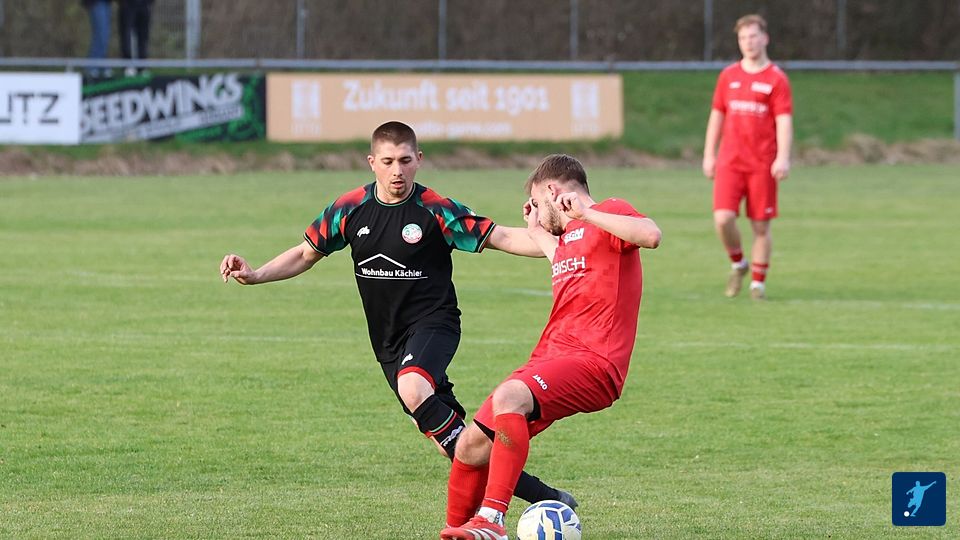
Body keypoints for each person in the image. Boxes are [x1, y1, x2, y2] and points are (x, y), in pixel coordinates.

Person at [220, 121, 574, 509]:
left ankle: (490, 516)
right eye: (388, 161)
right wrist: (255, 274)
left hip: (435, 325)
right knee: (460, 447)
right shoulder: (349, 209)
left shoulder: (435, 209)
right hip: (388, 345)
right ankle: (547, 497)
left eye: (405, 161)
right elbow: (306, 253)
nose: (397, 171)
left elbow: (501, 237)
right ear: (372, 162)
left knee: (413, 387)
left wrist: (563, 239)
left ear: (418, 160)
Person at [439, 154, 661, 540]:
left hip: (594, 361)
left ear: (552, 191)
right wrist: (538, 230)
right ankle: (458, 532)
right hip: (551, 357)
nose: (539, 215)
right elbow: (563, 257)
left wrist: (586, 213)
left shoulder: (609, 212)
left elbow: (651, 234)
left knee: (510, 396)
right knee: (471, 447)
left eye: (538, 204)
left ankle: (491, 520)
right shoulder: (569, 240)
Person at [702, 14, 793, 300]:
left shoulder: (776, 79)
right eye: (743, 38)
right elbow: (717, 116)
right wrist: (709, 154)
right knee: (723, 218)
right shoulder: (728, 76)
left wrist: (783, 157)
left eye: (753, 36)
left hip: (762, 163)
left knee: (760, 226)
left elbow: (784, 121)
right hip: (730, 162)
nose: (748, 42)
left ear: (765, 38)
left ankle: (757, 285)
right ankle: (738, 263)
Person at [118, 0, 155, 76]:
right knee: (127, 36)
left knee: (143, 37)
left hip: (144, 5)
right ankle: (128, 66)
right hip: (128, 5)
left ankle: (142, 66)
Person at [82, 0, 114, 78]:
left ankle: (102, 65)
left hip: (106, 3)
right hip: (96, 2)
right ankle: (91, 67)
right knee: (101, 34)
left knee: (105, 35)